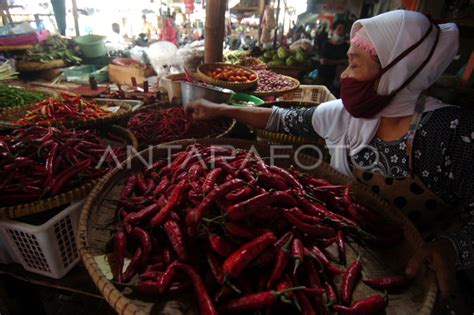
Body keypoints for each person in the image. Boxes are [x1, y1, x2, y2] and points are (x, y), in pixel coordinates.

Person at [185, 10, 474, 311]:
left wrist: (453, 248)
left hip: (417, 285)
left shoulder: (449, 133)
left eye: (354, 64)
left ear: (396, 70)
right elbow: (280, 119)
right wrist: (222, 109)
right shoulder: (345, 116)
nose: (343, 76)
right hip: (350, 259)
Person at [318, 20, 349, 97]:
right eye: (339, 29)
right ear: (334, 30)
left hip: (338, 78)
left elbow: (348, 61)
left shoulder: (346, 46)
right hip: (324, 75)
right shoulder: (326, 44)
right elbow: (323, 61)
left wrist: (331, 61)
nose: (341, 32)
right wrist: (340, 61)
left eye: (343, 30)